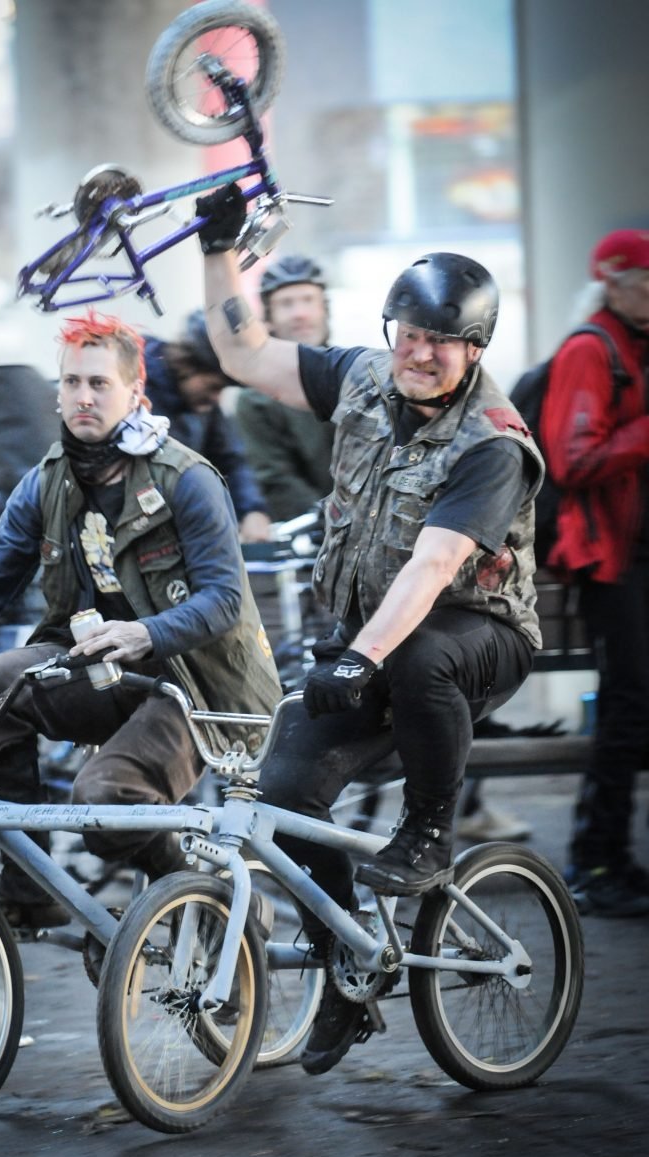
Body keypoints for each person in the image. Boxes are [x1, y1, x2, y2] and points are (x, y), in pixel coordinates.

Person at [194, 182, 544, 1074]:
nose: (418, 354)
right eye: (409, 333)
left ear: (475, 348)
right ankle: (346, 966)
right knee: (283, 794)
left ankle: (430, 831)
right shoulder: (359, 379)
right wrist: (219, 251)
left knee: (424, 655)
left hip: (477, 639)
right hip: (375, 643)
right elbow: (243, 352)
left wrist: (358, 656)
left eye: (441, 341)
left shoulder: (492, 443)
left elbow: (432, 567)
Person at [0, 310, 281, 929]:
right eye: (72, 382)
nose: (83, 397)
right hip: (103, 671)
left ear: (135, 392)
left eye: (100, 384)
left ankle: (206, 894)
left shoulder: (187, 479)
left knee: (106, 801)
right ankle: (30, 889)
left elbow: (223, 600)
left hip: (198, 686)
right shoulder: (45, 482)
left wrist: (144, 632)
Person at [541, 228, 649, 918]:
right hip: (613, 563)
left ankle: (611, 857)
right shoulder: (592, 348)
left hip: (636, 557)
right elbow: (573, 459)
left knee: (633, 708)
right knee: (627, 709)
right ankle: (597, 860)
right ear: (614, 283)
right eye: (647, 282)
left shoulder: (635, 345)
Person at [144, 310, 272, 542]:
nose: (216, 398)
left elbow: (230, 459)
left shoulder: (203, 408)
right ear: (186, 366)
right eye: (213, 386)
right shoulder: (138, 391)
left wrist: (251, 510)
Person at [234, 255, 335, 521]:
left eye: (308, 300)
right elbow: (276, 479)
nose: (300, 313)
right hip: (315, 529)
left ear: (324, 309)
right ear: (268, 318)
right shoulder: (256, 397)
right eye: (286, 304)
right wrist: (334, 520)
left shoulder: (356, 376)